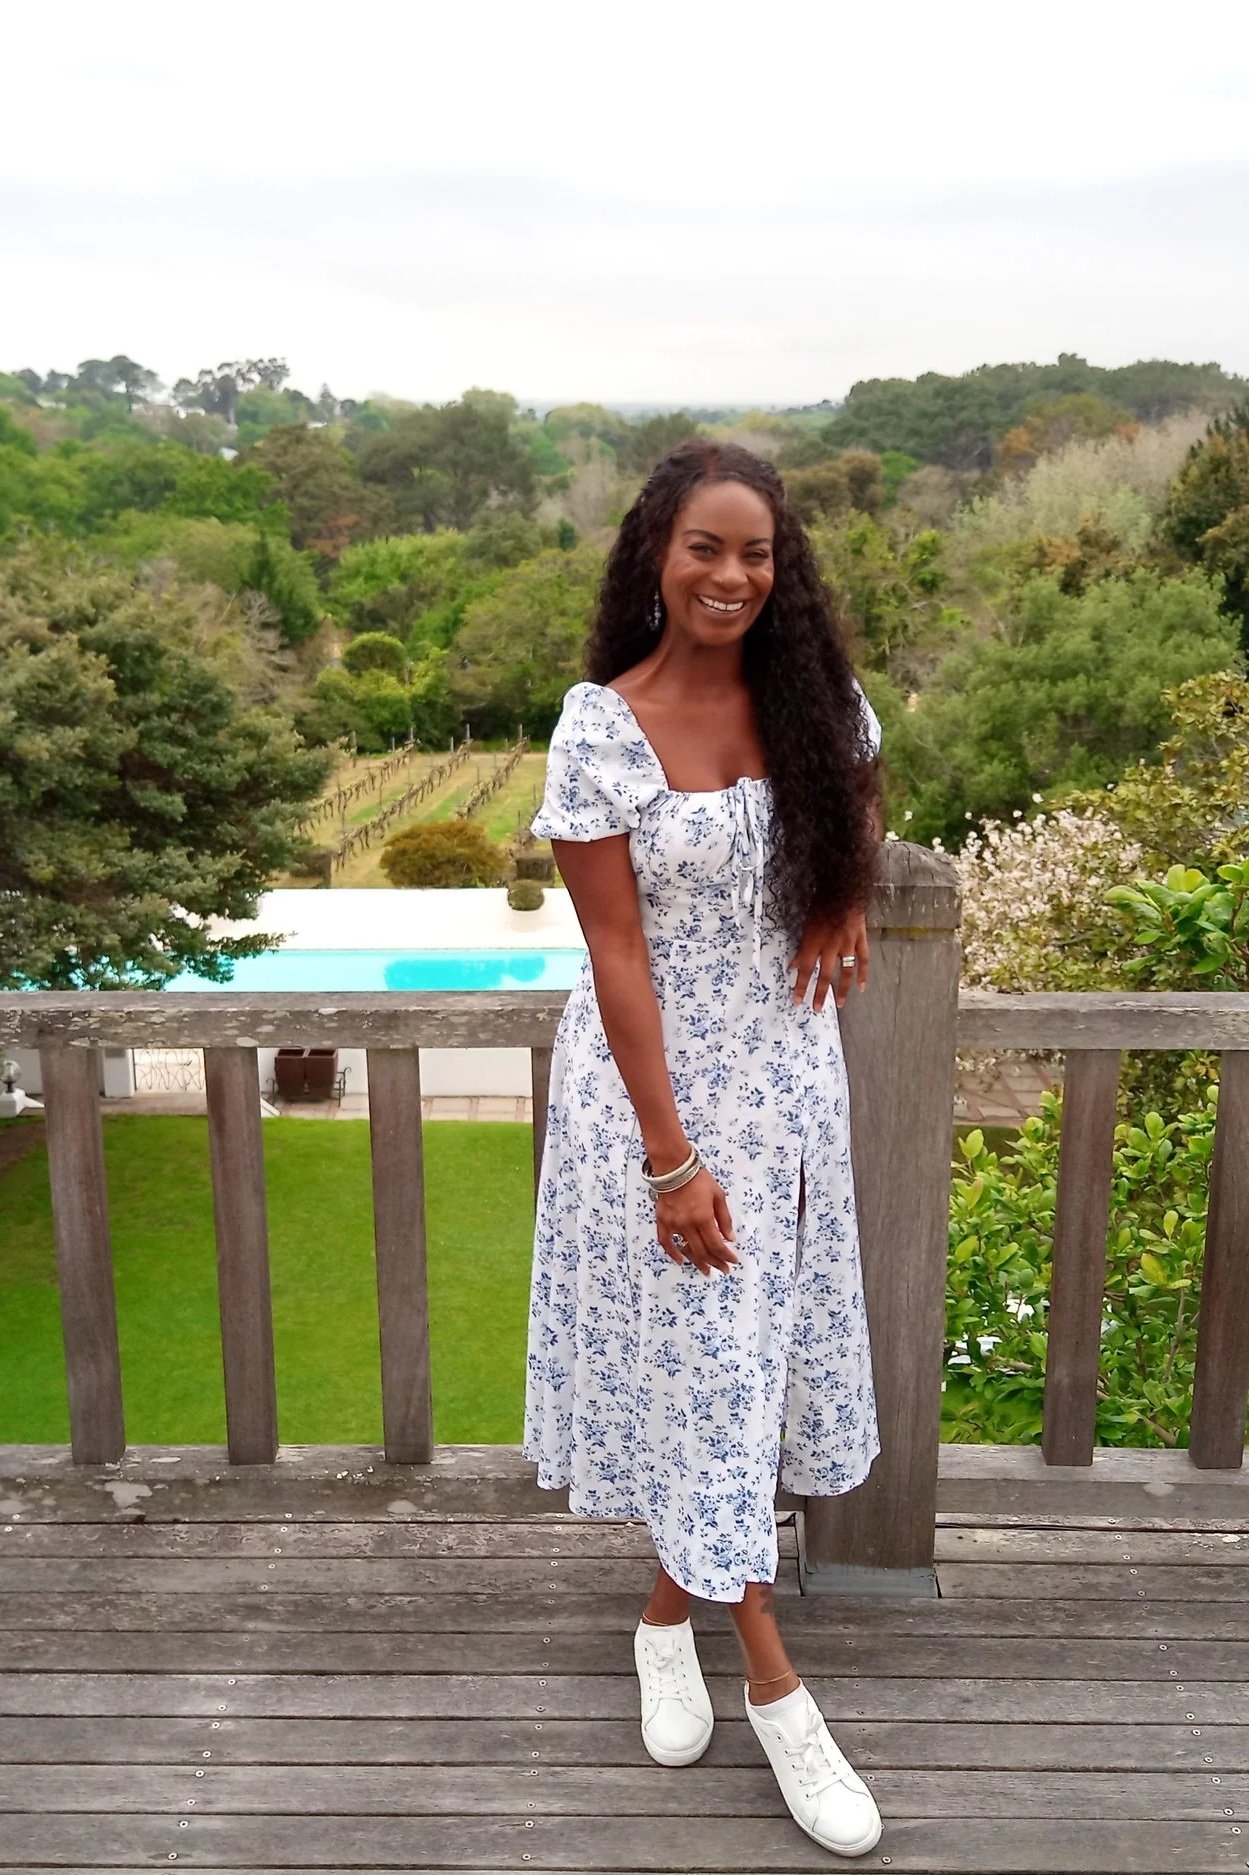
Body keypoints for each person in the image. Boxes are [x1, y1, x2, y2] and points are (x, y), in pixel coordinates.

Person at [523, 439, 884, 1858]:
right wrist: (669, 1159)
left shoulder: (813, 703)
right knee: (710, 1362)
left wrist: (840, 899)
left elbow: (855, 786)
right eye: (704, 549)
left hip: (789, 1085)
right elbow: (616, 955)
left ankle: (662, 1619)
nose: (731, 575)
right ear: (653, 559)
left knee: (741, 1367)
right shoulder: (600, 729)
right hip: (650, 1099)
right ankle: (780, 1694)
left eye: (756, 553)